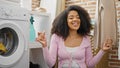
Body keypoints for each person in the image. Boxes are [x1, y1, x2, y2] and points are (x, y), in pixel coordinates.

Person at [36, 5, 113, 68]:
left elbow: (90, 64)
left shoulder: (86, 38)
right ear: (64, 21)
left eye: (78, 17)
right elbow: (51, 64)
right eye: (71, 18)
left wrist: (102, 51)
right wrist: (44, 46)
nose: (75, 20)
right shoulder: (56, 37)